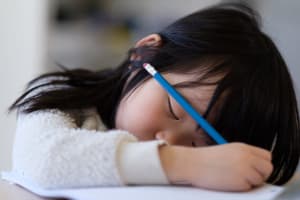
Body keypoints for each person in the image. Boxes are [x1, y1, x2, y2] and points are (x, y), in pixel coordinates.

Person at [8, 3, 300, 192]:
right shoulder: (63, 99)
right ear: (146, 53)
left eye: (203, 145)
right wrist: (192, 163)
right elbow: (43, 158)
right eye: (174, 109)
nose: (169, 142)